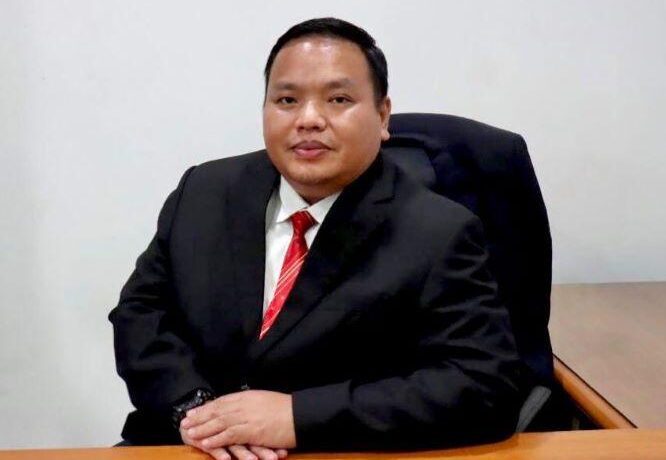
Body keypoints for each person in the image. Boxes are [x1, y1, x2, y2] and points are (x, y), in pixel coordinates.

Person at [109, 17, 523, 460]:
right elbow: (140, 314)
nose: (308, 119)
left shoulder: (438, 232)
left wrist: (298, 417)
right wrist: (197, 410)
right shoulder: (204, 191)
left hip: (330, 451)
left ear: (383, 116)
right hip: (185, 445)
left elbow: (482, 383)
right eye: (287, 100)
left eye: (338, 99)